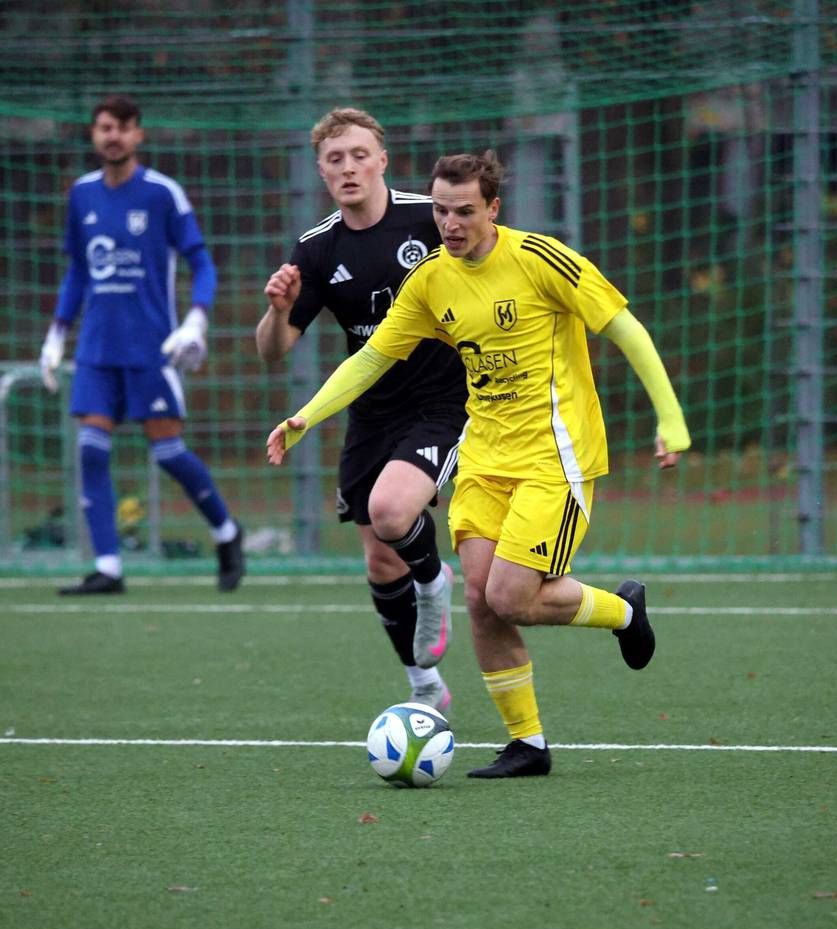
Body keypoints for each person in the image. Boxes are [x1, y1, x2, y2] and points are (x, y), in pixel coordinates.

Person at [266, 151, 691, 778]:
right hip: (485, 454)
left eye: (464, 211)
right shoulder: (432, 279)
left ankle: (625, 612)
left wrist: (670, 419)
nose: (450, 223)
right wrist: (307, 416)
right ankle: (529, 744)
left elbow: (626, 329)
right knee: (481, 598)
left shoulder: (540, 259)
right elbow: (372, 358)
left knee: (512, 596)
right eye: (440, 210)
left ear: (493, 208)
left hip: (556, 454)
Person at [256, 108, 467, 714]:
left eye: (358, 154)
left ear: (381, 159)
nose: (347, 167)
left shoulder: (426, 218)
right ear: (321, 171)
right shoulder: (317, 250)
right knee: (378, 557)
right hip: (371, 412)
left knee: (392, 509)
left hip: (442, 401)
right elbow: (275, 350)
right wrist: (277, 309)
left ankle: (433, 580)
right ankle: (423, 683)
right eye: (334, 159)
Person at [38, 93, 244, 595]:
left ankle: (226, 531)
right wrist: (56, 335)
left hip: (153, 348)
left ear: (138, 135)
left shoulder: (162, 194)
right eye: (105, 126)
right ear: (94, 133)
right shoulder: (82, 194)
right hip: (96, 351)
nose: (113, 135)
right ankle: (108, 567)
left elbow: (203, 263)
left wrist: (195, 321)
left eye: (123, 127)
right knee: (90, 451)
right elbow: (79, 273)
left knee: (169, 452)